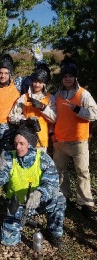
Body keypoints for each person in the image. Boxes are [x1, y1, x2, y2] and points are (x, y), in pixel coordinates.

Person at [0, 123, 66, 247]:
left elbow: (52, 183)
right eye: (16, 144)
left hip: (37, 202)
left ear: (30, 144)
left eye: (22, 144)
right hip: (17, 205)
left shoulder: (43, 158)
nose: (18, 147)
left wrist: (39, 194)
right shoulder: (9, 157)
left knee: (59, 199)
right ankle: (16, 226)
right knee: (8, 241)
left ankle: (54, 232)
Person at [0, 44, 45, 170]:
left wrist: (39, 60)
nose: (3, 76)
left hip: (10, 132)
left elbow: (38, 76)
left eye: (6, 73)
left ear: (11, 73)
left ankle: (10, 188)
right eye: (0, 73)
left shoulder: (18, 84)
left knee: (9, 165)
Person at [52, 56, 97, 218]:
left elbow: (94, 113)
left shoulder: (83, 94)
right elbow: (53, 115)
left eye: (70, 76)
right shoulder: (57, 95)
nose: (68, 79)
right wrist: (51, 133)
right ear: (62, 78)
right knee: (59, 171)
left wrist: (78, 110)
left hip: (79, 141)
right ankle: (63, 196)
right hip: (60, 141)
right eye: (65, 76)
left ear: (75, 77)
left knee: (83, 172)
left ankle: (85, 203)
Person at [9, 63, 56, 152]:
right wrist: (24, 121)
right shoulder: (24, 98)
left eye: (40, 82)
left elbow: (54, 118)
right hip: (25, 142)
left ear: (44, 84)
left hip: (42, 141)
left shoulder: (50, 98)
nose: (37, 84)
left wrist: (43, 107)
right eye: (35, 81)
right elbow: (12, 117)